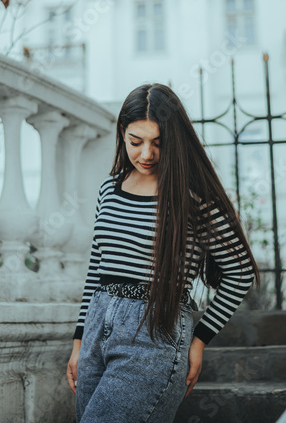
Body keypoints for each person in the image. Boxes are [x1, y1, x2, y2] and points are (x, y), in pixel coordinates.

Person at [66, 83, 259, 423]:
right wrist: (79, 342)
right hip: (97, 331)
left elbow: (241, 271)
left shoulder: (193, 196)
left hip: (154, 335)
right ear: (122, 134)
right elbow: (98, 269)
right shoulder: (109, 190)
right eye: (135, 142)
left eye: (158, 142)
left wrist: (199, 340)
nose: (146, 154)